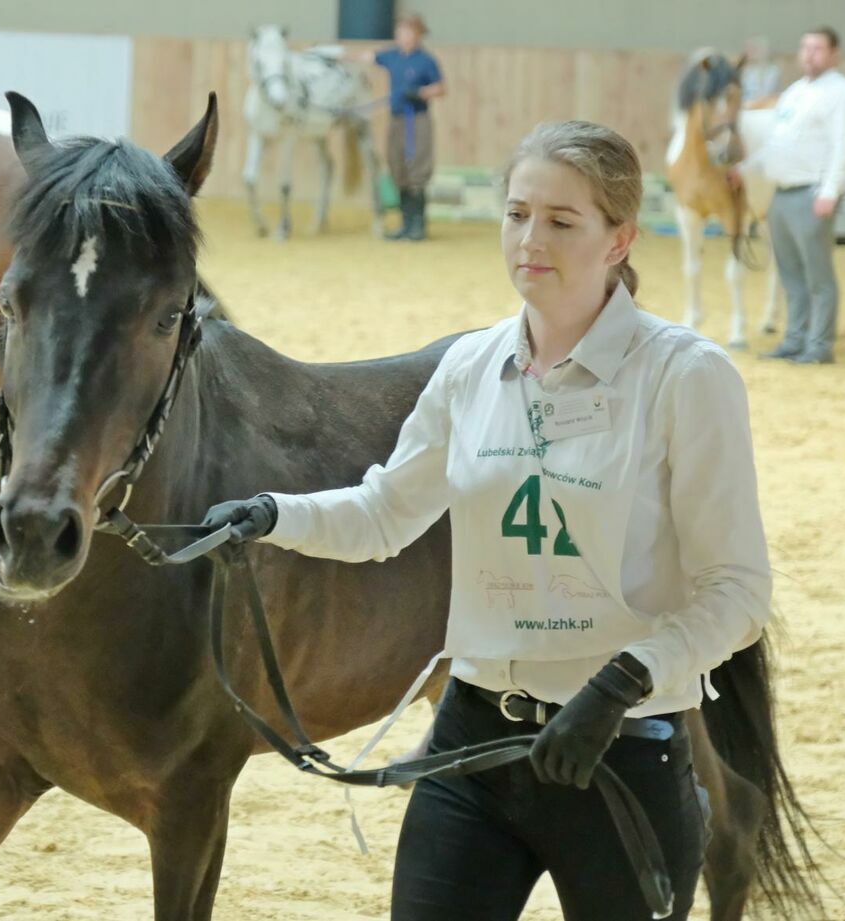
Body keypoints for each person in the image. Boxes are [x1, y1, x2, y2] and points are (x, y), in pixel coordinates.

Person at [203, 120, 771, 920]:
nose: (529, 239)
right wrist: (268, 515)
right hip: (471, 746)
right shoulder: (469, 367)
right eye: (516, 214)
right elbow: (383, 513)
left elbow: (737, 591)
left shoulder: (686, 377)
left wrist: (619, 683)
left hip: (621, 754)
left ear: (620, 240)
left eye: (562, 221)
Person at [760, 26, 845, 364]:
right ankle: (794, 339)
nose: (809, 54)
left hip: (811, 192)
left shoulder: (843, 93)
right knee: (790, 274)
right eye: (805, 47)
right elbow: (776, 142)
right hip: (782, 192)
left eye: (817, 48)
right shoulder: (793, 92)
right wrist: (744, 168)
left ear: (834, 54)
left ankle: (819, 346)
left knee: (817, 275)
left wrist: (830, 191)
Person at [358, 13, 445, 241]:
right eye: (399, 33)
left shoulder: (425, 61)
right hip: (396, 119)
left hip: (416, 119)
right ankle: (405, 224)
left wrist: (419, 93)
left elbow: (440, 88)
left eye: (406, 32)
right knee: (397, 166)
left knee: (417, 167)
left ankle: (418, 225)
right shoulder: (391, 56)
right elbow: (367, 56)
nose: (402, 37)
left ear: (417, 35)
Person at [739, 36, 781, 104]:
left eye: (751, 49)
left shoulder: (773, 71)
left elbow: (770, 94)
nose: (747, 53)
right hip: (747, 106)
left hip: (765, 106)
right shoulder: (746, 70)